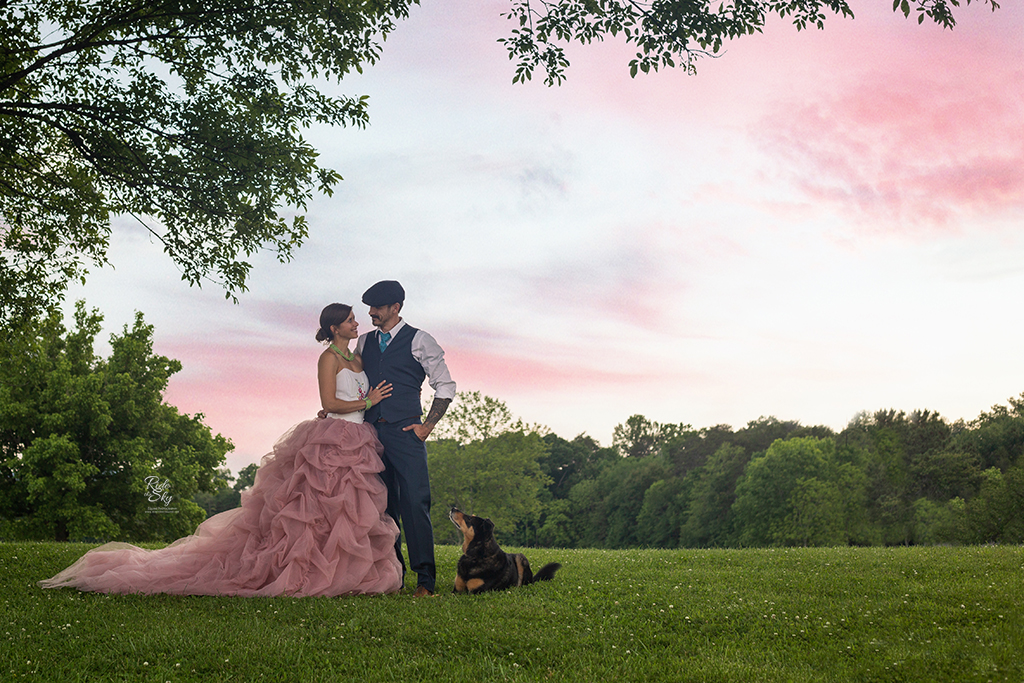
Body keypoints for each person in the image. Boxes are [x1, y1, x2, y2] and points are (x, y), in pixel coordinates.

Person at [39, 303, 403, 597]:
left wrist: (365, 403)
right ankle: (305, 572)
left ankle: (341, 573)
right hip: (331, 440)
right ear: (335, 327)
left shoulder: (357, 359)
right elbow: (327, 401)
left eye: (356, 318)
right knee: (315, 512)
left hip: (358, 440)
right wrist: (367, 401)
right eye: (351, 320)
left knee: (345, 512)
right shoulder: (328, 359)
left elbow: (348, 397)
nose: (357, 323)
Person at [356, 280, 456, 598]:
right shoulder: (363, 343)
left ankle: (425, 580)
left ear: (395, 308)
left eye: (377, 307)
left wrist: (427, 425)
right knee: (382, 507)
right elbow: (353, 384)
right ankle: (393, 577)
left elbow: (445, 386)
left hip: (406, 432)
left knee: (415, 503)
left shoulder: (420, 340)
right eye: (369, 307)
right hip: (370, 434)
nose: (371, 312)